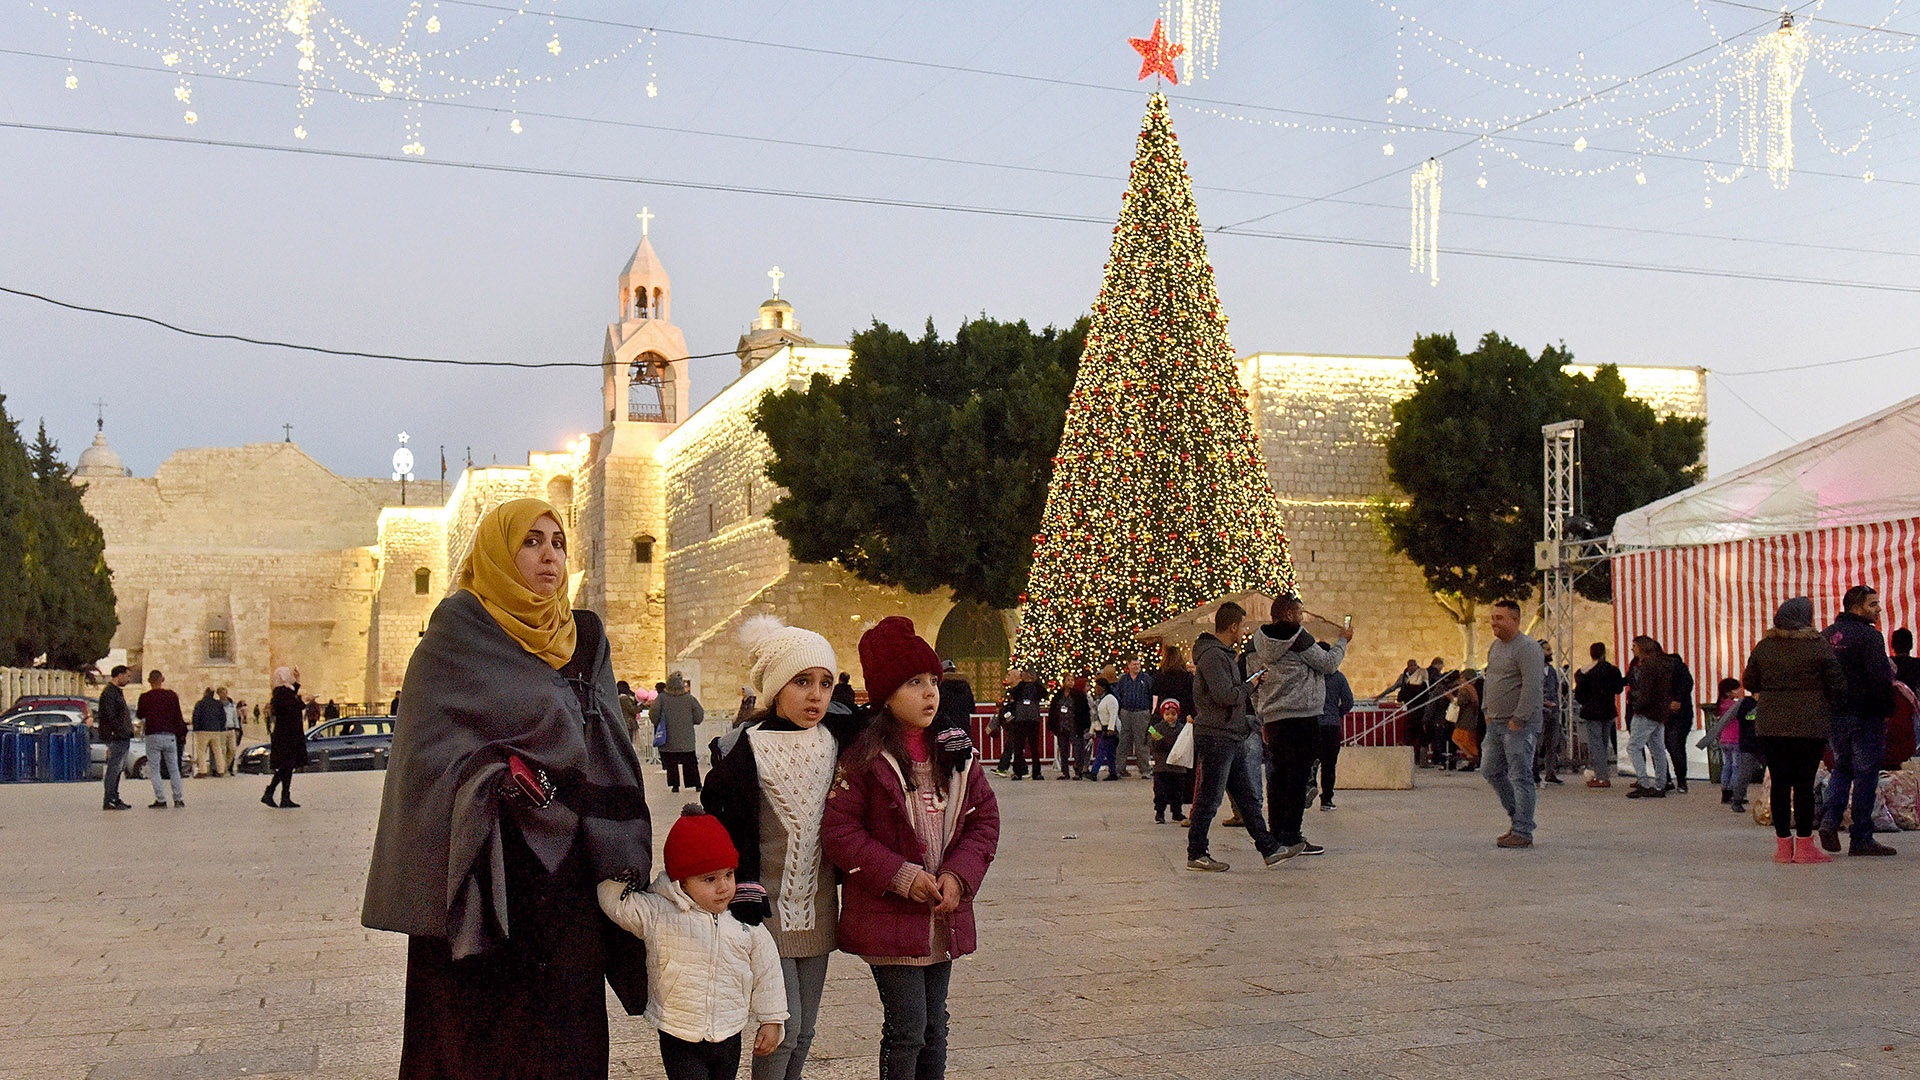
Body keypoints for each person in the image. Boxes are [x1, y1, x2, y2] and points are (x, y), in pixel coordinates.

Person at [361, 498, 651, 1080]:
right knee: (479, 1034)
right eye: (531, 542)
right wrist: (493, 776)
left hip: (567, 870)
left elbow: (608, 742)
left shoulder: (584, 637)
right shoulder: (455, 636)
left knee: (565, 1028)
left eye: (558, 542)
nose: (549, 555)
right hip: (486, 870)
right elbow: (425, 756)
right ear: (498, 552)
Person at [822, 616, 1000, 1080]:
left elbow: (984, 821)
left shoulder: (955, 753)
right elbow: (840, 831)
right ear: (885, 694)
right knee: (908, 1026)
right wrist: (901, 875)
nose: (929, 693)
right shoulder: (864, 757)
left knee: (935, 1026)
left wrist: (959, 877)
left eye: (933, 681)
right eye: (914, 682)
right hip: (889, 916)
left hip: (942, 913)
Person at [703, 617, 861, 1080]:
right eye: (802, 681)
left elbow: (903, 707)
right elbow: (721, 830)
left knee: (806, 1030)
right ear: (776, 688)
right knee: (782, 1029)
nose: (816, 695)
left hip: (817, 909)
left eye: (825, 683)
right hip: (762, 912)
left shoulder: (840, 740)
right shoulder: (741, 751)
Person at [598, 806, 786, 1080]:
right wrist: (622, 862)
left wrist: (772, 1018)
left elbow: (767, 971)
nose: (723, 887)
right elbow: (615, 903)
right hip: (679, 1031)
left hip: (729, 1029)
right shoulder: (658, 912)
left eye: (728, 875)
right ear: (682, 882)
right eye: (709, 879)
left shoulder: (745, 920)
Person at [1185, 602, 1289, 872]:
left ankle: (1269, 847)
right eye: (1242, 626)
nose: (1244, 631)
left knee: (1245, 796)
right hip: (1217, 735)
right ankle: (1196, 852)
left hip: (1230, 734)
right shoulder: (1213, 657)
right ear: (1232, 626)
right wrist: (1250, 684)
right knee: (1209, 797)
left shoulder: (1222, 655)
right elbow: (1226, 696)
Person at [1742, 596, 1846, 863]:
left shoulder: (1765, 647)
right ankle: (1804, 847)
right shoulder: (1818, 645)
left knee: (1779, 783)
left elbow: (1750, 680)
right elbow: (1837, 683)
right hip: (1809, 725)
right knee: (1803, 785)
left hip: (1771, 723)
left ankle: (1783, 847)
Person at [1250, 594, 1349, 855]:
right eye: (1300, 612)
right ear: (1289, 614)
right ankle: (1292, 836)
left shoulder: (1259, 638)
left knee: (1278, 776)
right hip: (1302, 715)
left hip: (1273, 715)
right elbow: (1328, 664)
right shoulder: (1298, 636)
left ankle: (1277, 833)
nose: (1303, 617)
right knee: (1298, 778)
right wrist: (1343, 641)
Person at [1818, 585, 1899, 856]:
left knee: (1842, 767)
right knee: (1866, 774)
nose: (1878, 609)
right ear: (1856, 606)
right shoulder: (1869, 637)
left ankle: (1830, 819)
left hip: (1835, 715)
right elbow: (1879, 678)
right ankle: (1861, 835)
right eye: (1873, 604)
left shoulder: (1826, 636)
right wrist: (1887, 707)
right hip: (1866, 715)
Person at [1481, 600, 1545, 848]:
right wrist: (1487, 709)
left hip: (1519, 725)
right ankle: (1518, 817)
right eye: (1493, 617)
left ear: (1515, 620)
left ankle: (1523, 830)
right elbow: (1491, 680)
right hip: (1495, 722)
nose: (1494, 622)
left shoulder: (1527, 649)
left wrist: (1519, 719)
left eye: (1500, 618)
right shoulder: (1495, 647)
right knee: (1490, 770)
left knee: (1520, 776)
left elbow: (1532, 686)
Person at [1623, 637, 1673, 799]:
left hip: (1646, 712)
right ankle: (1660, 784)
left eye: (1634, 646)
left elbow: (1645, 691)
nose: (1633, 650)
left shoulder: (1647, 667)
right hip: (1659, 712)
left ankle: (1643, 782)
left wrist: (1637, 706)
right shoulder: (1663, 665)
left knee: (1634, 746)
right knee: (1658, 748)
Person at [1573, 643, 1625, 788]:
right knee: (1603, 742)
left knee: (1596, 745)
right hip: (1608, 709)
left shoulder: (1584, 672)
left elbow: (1579, 694)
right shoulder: (1612, 670)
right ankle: (1602, 773)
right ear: (1604, 653)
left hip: (1592, 711)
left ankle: (1602, 776)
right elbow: (1618, 689)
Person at [1700, 678, 1755, 812]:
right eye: (1736, 689)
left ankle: (1725, 790)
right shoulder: (1734, 705)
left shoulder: (1721, 705)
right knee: (1737, 767)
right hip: (1735, 739)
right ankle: (1734, 792)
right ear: (1729, 692)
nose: (1739, 691)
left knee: (1727, 765)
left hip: (1724, 740)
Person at [136, 669, 186, 808]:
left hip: (153, 735)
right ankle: (178, 798)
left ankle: (161, 799)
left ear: (149, 681)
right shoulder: (171, 696)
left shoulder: (145, 697)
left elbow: (140, 714)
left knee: (155, 768)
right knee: (173, 768)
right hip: (169, 735)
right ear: (162, 679)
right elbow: (178, 716)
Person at [263, 668, 307, 809]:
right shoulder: (282, 693)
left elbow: (293, 697)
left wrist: (297, 680)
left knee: (287, 768)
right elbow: (294, 706)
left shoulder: (283, 692)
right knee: (286, 767)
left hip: (288, 735)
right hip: (287, 736)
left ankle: (284, 797)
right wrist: (305, 701)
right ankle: (270, 792)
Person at [657, 672, 708, 793]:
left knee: (672, 764)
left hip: (669, 738)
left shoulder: (662, 699)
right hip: (687, 738)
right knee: (690, 762)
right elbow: (699, 715)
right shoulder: (689, 699)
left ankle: (675, 785)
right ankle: (695, 783)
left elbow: (654, 714)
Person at [97, 664, 135, 810]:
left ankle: (115, 796)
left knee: (119, 768)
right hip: (116, 737)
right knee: (114, 768)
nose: (128, 679)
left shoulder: (116, 692)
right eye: (127, 676)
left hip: (122, 736)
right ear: (119, 675)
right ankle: (110, 799)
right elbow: (109, 716)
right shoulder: (109, 693)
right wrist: (119, 731)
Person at [1317, 666, 1353, 811]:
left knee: (1308, 761)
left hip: (1312, 723)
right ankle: (1326, 799)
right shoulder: (1338, 677)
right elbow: (1348, 701)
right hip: (1331, 724)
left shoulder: (1309, 675)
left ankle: (1307, 788)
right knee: (1329, 764)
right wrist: (1337, 714)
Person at [1113, 657, 1155, 779]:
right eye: (1134, 664)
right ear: (1129, 665)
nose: (1136, 666)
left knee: (1142, 742)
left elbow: (1151, 695)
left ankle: (1145, 770)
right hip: (1126, 713)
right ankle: (1120, 768)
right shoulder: (1123, 680)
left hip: (1141, 713)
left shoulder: (1146, 679)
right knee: (1124, 741)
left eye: (1138, 664)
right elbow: (1118, 694)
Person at [1000, 668, 1045, 781]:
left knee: (1034, 748)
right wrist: (1022, 682)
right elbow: (1014, 694)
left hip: (1033, 720)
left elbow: (1044, 693)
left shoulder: (1036, 687)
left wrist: (1035, 681)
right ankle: (1017, 772)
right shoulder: (1019, 688)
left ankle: (1037, 772)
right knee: (1018, 747)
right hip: (1020, 720)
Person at [1148, 699, 1189, 824]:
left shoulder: (1183, 729)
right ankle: (1160, 812)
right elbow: (1153, 744)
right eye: (1167, 714)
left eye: (1173, 714)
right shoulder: (1157, 728)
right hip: (1162, 766)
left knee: (1177, 791)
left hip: (1177, 766)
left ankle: (1176, 812)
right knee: (1160, 791)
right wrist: (1159, 741)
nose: (1170, 717)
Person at [1662, 651, 1696, 793]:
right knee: (1676, 748)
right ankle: (1680, 781)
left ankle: (1668, 779)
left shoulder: (1675, 669)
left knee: (1668, 747)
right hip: (1680, 715)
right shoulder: (1682, 672)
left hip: (1674, 715)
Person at [1535, 641, 1566, 786]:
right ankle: (1533, 772)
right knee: (1537, 742)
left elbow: (1556, 689)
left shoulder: (1552, 671)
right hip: (1539, 711)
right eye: (1547, 650)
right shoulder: (1533, 670)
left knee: (1552, 742)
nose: (1550, 652)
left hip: (1553, 712)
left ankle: (1550, 772)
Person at [1087, 676, 1121, 780]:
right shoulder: (1098, 700)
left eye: (1098, 686)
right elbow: (1095, 716)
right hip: (1101, 728)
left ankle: (1094, 772)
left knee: (1101, 751)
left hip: (1109, 729)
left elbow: (1113, 714)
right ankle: (1113, 772)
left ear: (1103, 688)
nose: (1096, 689)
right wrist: (1092, 730)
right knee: (1110, 753)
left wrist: (1111, 728)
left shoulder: (1110, 699)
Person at [191, 687, 227, 778]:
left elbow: (196, 716)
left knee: (201, 751)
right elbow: (223, 717)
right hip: (216, 730)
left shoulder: (200, 703)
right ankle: (220, 770)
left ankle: (203, 771)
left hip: (203, 730)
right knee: (217, 751)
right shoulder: (218, 704)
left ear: (205, 693)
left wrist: (196, 728)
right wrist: (221, 727)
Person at [936, 660, 975, 735]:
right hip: (963, 729)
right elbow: (972, 708)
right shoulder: (965, 687)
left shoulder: (940, 687)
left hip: (945, 730)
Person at [217, 687, 239, 778]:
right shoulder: (217, 705)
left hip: (231, 729)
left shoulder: (232, 705)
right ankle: (223, 769)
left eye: (225, 692)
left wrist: (237, 728)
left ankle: (226, 767)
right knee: (223, 750)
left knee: (232, 749)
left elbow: (235, 717)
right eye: (222, 693)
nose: (224, 695)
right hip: (222, 730)